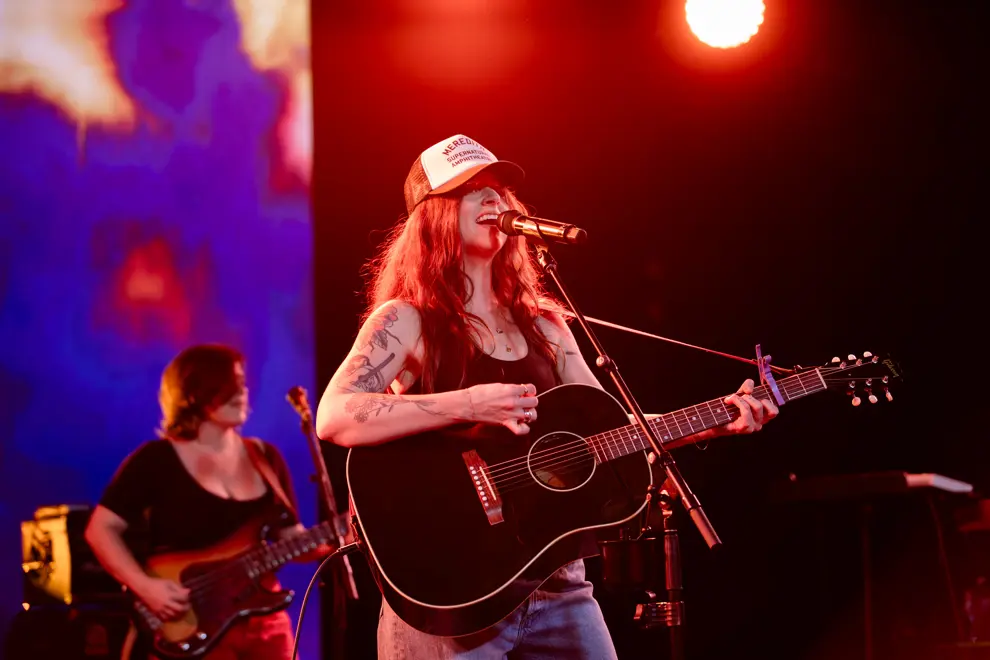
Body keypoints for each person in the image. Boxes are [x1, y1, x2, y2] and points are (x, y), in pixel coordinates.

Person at [315, 134, 779, 659]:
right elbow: (335, 415)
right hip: (451, 583)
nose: (494, 200)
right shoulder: (406, 318)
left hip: (557, 581)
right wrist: (469, 404)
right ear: (435, 215)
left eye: (499, 190)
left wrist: (714, 420)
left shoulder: (546, 323)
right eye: (473, 190)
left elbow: (612, 427)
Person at [85, 344, 324, 660]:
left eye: (242, 384)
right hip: (191, 622)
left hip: (265, 623)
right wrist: (145, 586)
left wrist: (341, 537)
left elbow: (290, 538)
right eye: (229, 385)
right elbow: (100, 530)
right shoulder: (155, 461)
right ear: (194, 391)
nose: (242, 393)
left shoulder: (265, 457)